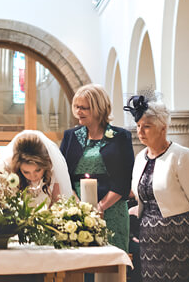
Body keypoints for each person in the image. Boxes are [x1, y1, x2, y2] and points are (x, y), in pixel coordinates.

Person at [126, 95, 189, 282]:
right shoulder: (140, 158)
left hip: (180, 238)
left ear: (163, 128)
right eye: (138, 125)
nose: (140, 131)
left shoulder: (182, 156)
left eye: (146, 126)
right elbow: (141, 196)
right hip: (149, 238)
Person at [60, 85, 134, 252]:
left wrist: (100, 207)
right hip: (76, 208)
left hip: (112, 209)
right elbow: (63, 175)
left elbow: (124, 179)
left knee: (111, 266)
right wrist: (79, 207)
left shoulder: (120, 137)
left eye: (84, 108)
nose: (78, 111)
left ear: (99, 109)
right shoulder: (70, 136)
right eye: (76, 107)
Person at [0, 130, 73, 207]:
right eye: (26, 172)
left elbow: (57, 205)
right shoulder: (5, 173)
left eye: (38, 170)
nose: (33, 176)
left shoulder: (52, 170)